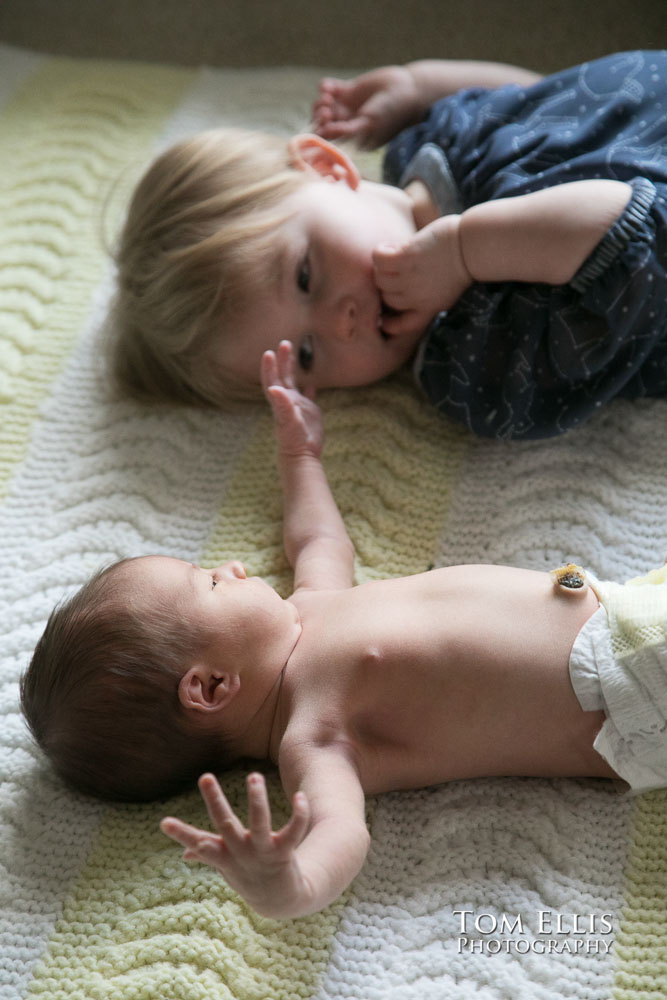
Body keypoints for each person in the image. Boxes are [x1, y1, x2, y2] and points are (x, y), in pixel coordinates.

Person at [21, 342, 667, 919]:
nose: (232, 565)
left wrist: (298, 451)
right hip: (627, 689)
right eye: (209, 581)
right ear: (212, 686)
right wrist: (290, 882)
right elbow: (340, 833)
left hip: (623, 610)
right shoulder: (313, 735)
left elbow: (317, 536)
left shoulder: (312, 606)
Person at [109, 50, 667, 439]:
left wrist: (418, 84)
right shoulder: (476, 359)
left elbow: (551, 94)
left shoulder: (428, 142)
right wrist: (462, 252)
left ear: (327, 166)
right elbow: (628, 223)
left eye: (306, 276)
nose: (342, 322)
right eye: (305, 353)